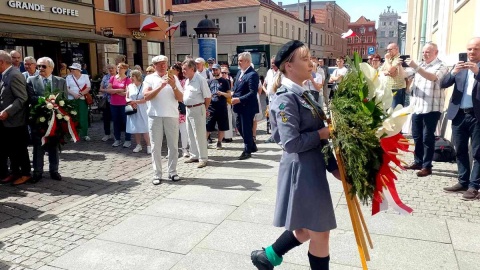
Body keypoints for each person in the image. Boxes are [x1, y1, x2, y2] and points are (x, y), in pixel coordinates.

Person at [250, 40, 340, 270]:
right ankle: (269, 255)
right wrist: (322, 133)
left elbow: (320, 134)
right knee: (320, 231)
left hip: (312, 167)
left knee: (308, 228)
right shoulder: (285, 97)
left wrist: (333, 166)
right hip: (301, 170)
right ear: (289, 66)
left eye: (311, 58)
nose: (311, 63)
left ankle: (269, 256)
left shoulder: (305, 93)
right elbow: (291, 142)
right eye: (305, 59)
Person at [441, 37, 480, 200]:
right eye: (469, 49)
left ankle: (473, 186)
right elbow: (443, 83)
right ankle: (463, 181)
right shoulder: (460, 67)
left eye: (475, 49)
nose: (471, 52)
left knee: (478, 152)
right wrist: (453, 72)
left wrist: (477, 73)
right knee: (460, 150)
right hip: (458, 114)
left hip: (476, 115)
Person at [404, 42, 448, 177]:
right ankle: (418, 161)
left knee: (427, 138)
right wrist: (394, 65)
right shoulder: (420, 65)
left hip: (432, 107)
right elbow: (404, 76)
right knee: (416, 136)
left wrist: (415, 67)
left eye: (428, 52)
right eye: (423, 52)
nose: (425, 54)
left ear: (436, 52)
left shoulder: (441, 66)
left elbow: (432, 77)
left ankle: (427, 166)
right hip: (418, 106)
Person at [143, 55, 184, 185]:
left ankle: (172, 171)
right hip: (155, 116)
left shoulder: (174, 78)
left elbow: (181, 98)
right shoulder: (149, 78)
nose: (163, 66)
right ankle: (157, 174)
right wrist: (161, 86)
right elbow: (146, 96)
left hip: (171, 115)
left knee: (173, 145)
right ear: (154, 66)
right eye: (160, 64)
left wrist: (173, 86)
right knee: (156, 146)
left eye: (165, 63)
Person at [27, 57, 67, 183]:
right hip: (38, 118)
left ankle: (54, 170)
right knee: (38, 145)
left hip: (56, 119)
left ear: (51, 67)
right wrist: (46, 100)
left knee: (54, 145)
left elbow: (64, 99)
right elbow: (31, 98)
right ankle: (37, 172)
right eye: (38, 66)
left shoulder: (60, 81)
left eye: (43, 66)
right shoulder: (31, 80)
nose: (40, 69)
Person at [0, 50, 31, 186]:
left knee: (19, 150)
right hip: (6, 122)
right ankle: (14, 172)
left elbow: (22, 98)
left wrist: (7, 111)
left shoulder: (14, 75)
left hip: (15, 121)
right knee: (10, 149)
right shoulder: (4, 75)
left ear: (1, 62)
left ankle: (25, 174)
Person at [182, 59, 211, 168]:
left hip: (198, 108)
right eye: (182, 69)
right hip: (188, 109)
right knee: (190, 133)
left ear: (192, 69)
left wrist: (204, 109)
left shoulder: (200, 79)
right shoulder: (187, 80)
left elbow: (208, 97)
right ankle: (194, 155)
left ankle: (203, 158)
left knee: (199, 134)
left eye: (185, 69)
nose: (183, 71)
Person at [231, 52, 259, 160]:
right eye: (239, 60)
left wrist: (239, 99)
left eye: (241, 60)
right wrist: (233, 93)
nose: (239, 62)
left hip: (247, 106)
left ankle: (247, 151)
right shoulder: (240, 73)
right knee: (239, 126)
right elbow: (236, 87)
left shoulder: (252, 74)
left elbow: (253, 92)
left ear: (247, 61)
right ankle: (252, 145)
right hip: (239, 106)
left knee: (246, 128)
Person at [107, 62, 132, 147]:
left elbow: (127, 93)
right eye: (118, 67)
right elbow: (109, 90)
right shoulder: (112, 78)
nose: (119, 69)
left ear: (125, 69)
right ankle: (117, 139)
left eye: (121, 68)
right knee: (115, 122)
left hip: (124, 104)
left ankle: (127, 139)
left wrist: (115, 91)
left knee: (125, 122)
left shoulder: (128, 80)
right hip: (113, 103)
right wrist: (119, 90)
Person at [206, 64, 231, 150]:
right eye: (213, 70)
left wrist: (222, 93)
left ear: (219, 70)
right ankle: (204, 142)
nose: (215, 71)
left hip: (221, 107)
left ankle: (219, 142)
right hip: (211, 107)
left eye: (216, 70)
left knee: (222, 126)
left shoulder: (224, 81)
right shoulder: (209, 82)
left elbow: (229, 95)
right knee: (208, 126)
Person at [126, 70, 150, 153]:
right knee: (135, 127)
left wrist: (135, 102)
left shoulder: (144, 86)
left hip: (143, 109)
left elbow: (146, 99)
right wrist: (130, 101)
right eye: (130, 76)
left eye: (132, 76)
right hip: (133, 109)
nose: (131, 78)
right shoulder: (130, 86)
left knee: (145, 127)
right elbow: (127, 97)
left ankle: (149, 145)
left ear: (137, 77)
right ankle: (138, 145)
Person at [66, 63, 91, 141]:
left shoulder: (85, 76)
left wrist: (80, 94)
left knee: (83, 116)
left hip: (82, 98)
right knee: (73, 116)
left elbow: (88, 87)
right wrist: (74, 94)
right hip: (71, 99)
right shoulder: (69, 77)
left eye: (73, 69)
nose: (72, 70)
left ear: (78, 70)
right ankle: (74, 134)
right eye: (71, 69)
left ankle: (84, 134)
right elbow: (67, 88)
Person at [171, 63, 190, 157]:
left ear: (177, 71)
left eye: (172, 69)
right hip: (171, 108)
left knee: (183, 130)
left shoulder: (183, 81)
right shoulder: (169, 80)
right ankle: (172, 151)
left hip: (180, 108)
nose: (170, 70)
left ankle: (184, 149)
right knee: (172, 131)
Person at [381, 43, 407, 108]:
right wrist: (388, 73)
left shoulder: (399, 59)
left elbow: (390, 69)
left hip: (397, 88)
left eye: (390, 50)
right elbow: (381, 70)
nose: (388, 52)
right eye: (387, 50)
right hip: (388, 88)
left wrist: (386, 60)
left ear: (397, 49)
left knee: (395, 110)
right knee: (388, 109)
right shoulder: (390, 59)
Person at [263, 56, 279, 143]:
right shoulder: (269, 72)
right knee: (271, 117)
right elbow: (264, 84)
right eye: (272, 63)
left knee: (279, 117)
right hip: (270, 98)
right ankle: (273, 136)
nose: (273, 64)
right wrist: (266, 91)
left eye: (275, 63)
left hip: (279, 98)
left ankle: (279, 135)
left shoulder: (281, 73)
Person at [100, 64, 116, 141]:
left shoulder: (118, 77)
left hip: (116, 100)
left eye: (112, 68)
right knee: (106, 118)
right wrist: (108, 91)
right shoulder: (105, 77)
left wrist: (113, 91)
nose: (111, 69)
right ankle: (107, 134)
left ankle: (117, 135)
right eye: (109, 68)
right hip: (107, 100)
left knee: (116, 118)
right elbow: (101, 88)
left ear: (115, 69)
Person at [221, 66, 234, 143]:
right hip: (221, 102)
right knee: (222, 120)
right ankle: (223, 136)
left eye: (225, 73)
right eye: (222, 72)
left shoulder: (228, 81)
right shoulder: (219, 80)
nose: (223, 74)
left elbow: (230, 92)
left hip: (227, 101)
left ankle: (228, 136)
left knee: (228, 119)